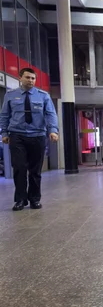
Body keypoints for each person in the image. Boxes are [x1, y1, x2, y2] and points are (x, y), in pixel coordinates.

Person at [0, 68, 59, 211]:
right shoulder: (10, 95)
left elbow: (51, 114)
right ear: (20, 78)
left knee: (35, 170)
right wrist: (4, 133)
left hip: (37, 135)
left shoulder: (43, 96)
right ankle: (20, 199)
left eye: (33, 78)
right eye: (27, 77)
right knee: (19, 168)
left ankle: (34, 199)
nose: (31, 80)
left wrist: (53, 131)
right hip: (17, 135)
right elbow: (4, 115)